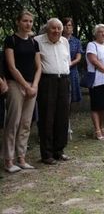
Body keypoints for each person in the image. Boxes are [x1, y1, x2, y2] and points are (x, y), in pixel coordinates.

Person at [3, 10, 41, 172]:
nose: (28, 24)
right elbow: (11, 67)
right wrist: (25, 86)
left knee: (26, 123)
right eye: (25, 21)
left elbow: (39, 66)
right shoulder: (11, 40)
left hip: (32, 86)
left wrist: (34, 86)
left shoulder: (34, 43)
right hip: (16, 85)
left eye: (31, 21)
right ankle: (8, 160)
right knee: (13, 122)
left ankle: (22, 157)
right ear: (18, 22)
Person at [35, 18, 72, 164]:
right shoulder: (37, 41)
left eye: (59, 28)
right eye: (53, 28)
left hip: (63, 80)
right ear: (47, 29)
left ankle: (59, 150)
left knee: (62, 116)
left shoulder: (65, 41)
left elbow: (67, 61)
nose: (56, 31)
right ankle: (47, 154)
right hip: (47, 81)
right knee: (47, 117)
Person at [62, 17, 83, 104]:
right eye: (65, 25)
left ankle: (68, 116)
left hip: (72, 70)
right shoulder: (58, 40)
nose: (67, 27)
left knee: (71, 96)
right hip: (60, 70)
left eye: (69, 25)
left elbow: (78, 57)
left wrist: (70, 64)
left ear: (72, 27)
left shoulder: (76, 41)